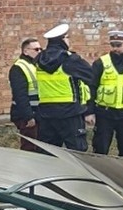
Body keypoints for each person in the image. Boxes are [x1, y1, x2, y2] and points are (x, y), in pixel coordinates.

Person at [35, 23, 95, 151]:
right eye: (67, 38)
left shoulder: (39, 59)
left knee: (47, 152)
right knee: (77, 152)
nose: (69, 41)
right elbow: (91, 76)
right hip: (70, 113)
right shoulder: (70, 59)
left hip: (46, 113)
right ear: (62, 40)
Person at [90, 30, 123, 157]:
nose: (115, 49)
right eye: (113, 45)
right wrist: (90, 112)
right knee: (101, 148)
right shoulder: (101, 63)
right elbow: (92, 87)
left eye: (119, 45)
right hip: (105, 112)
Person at [8, 37, 42, 151]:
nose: (39, 52)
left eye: (41, 49)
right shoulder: (19, 68)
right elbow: (20, 95)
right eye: (36, 49)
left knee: (38, 146)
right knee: (29, 147)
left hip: (38, 113)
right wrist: (29, 116)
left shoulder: (35, 65)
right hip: (27, 115)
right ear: (25, 51)